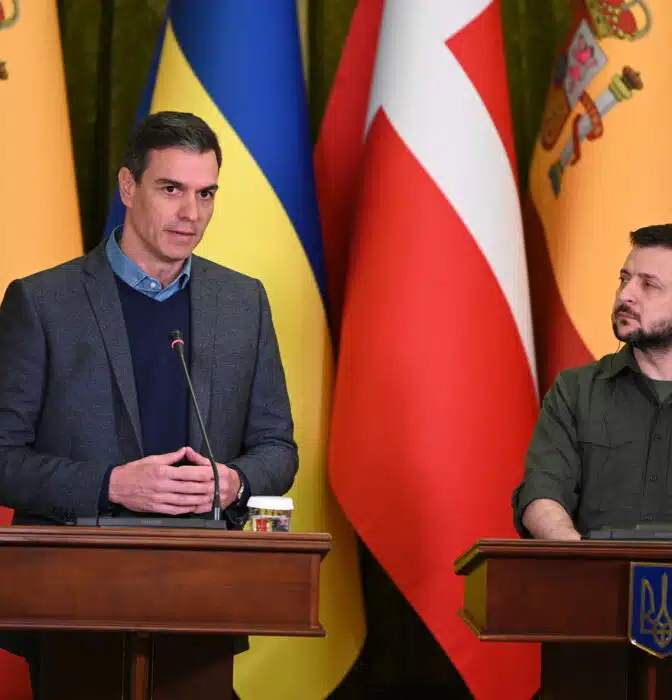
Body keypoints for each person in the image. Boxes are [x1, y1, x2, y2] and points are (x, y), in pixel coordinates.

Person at [0, 110, 298, 696]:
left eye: (206, 194)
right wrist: (111, 484)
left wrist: (234, 482)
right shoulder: (42, 302)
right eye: (171, 189)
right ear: (128, 186)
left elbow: (277, 449)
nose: (191, 213)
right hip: (73, 600)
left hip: (206, 594)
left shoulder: (244, 302)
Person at [513, 224, 672, 540]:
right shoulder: (575, 390)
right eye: (624, 279)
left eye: (648, 285)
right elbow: (542, 493)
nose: (625, 295)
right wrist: (579, 556)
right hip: (590, 571)